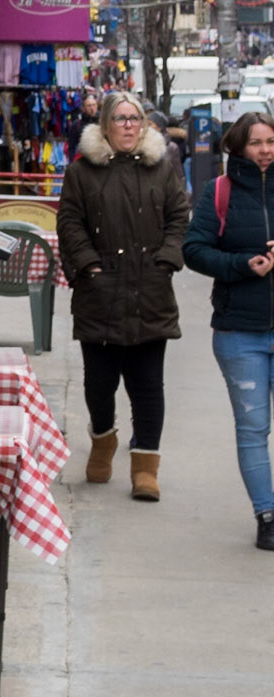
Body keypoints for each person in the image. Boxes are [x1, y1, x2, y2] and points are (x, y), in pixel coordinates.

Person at [57, 91, 191, 502]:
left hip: (150, 292)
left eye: (135, 118)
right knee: (99, 385)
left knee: (148, 385)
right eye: (120, 118)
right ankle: (103, 439)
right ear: (105, 125)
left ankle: (145, 466)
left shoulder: (161, 168)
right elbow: (69, 223)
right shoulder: (82, 172)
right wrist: (89, 267)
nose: (129, 125)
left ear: (144, 124)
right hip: (100, 293)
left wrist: (166, 260)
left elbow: (178, 217)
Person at [183, 110, 274, 550]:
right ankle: (267, 515)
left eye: (271, 142)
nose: (266, 150)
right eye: (256, 143)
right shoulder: (219, 191)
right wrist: (242, 265)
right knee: (253, 429)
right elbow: (194, 250)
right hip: (240, 333)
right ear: (238, 148)